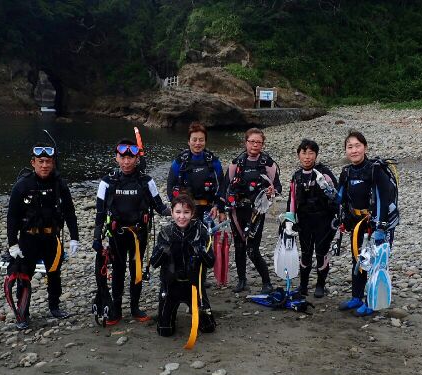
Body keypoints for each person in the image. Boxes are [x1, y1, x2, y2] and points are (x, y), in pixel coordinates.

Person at [93, 139, 169, 325]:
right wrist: (96, 238)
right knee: (118, 271)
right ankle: (116, 310)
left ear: (137, 159)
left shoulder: (146, 181)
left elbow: (160, 207)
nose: (126, 162)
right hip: (116, 235)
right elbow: (100, 213)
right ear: (116, 158)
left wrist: (181, 211)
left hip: (138, 235)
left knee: (136, 270)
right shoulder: (107, 182)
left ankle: (135, 308)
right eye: (123, 158)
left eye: (130, 158)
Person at [5, 143, 80, 329]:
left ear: (53, 163)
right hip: (28, 239)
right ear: (33, 163)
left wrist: (74, 237)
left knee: (54, 273)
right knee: (24, 275)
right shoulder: (22, 186)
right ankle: (23, 313)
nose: (44, 165)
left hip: (51, 238)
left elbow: (70, 212)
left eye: (48, 162)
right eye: (41, 161)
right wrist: (12, 244)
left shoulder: (60, 184)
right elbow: (12, 217)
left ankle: (54, 306)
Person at [336, 131, 399, 316]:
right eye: (350, 147)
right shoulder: (346, 172)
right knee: (358, 259)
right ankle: (356, 297)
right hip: (357, 223)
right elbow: (341, 197)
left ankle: (372, 301)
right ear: (346, 150)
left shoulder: (375, 170)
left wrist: (380, 227)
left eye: (358, 146)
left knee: (375, 261)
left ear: (365, 147)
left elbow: (383, 199)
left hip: (377, 223)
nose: (354, 150)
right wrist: (340, 217)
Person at [224, 128, 281, 294]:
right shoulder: (236, 163)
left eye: (258, 142)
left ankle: (266, 282)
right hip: (237, 211)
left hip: (256, 212)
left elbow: (278, 187)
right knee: (239, 246)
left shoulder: (268, 164)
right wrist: (221, 206)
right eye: (252, 142)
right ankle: (242, 280)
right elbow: (225, 187)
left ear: (262, 144)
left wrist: (272, 191)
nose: (255, 145)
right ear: (246, 142)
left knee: (252, 249)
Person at [150, 194, 216, 337]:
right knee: (164, 331)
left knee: (208, 328)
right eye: (178, 212)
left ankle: (197, 311)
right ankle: (168, 315)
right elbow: (154, 262)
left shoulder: (201, 231)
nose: (182, 217)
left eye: (186, 212)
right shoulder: (166, 232)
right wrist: (163, 250)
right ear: (172, 212)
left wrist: (200, 251)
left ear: (192, 213)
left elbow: (211, 262)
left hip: (194, 286)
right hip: (171, 286)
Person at [285, 139, 339, 298]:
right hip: (304, 221)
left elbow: (337, 197)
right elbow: (292, 200)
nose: (307, 157)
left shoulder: (324, 173)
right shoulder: (296, 176)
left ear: (316, 155)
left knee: (321, 253)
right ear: (298, 155)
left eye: (311, 153)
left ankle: (320, 285)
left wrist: (328, 190)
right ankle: (303, 286)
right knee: (306, 253)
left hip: (323, 221)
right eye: (304, 153)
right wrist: (289, 221)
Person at [166, 121, 225, 221]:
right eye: (194, 140)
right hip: (185, 209)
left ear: (205, 142)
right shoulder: (179, 162)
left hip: (208, 208)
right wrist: (177, 208)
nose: (197, 143)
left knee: (207, 231)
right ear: (189, 142)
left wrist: (219, 208)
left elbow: (221, 186)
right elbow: (170, 186)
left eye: (201, 140)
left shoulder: (213, 162)